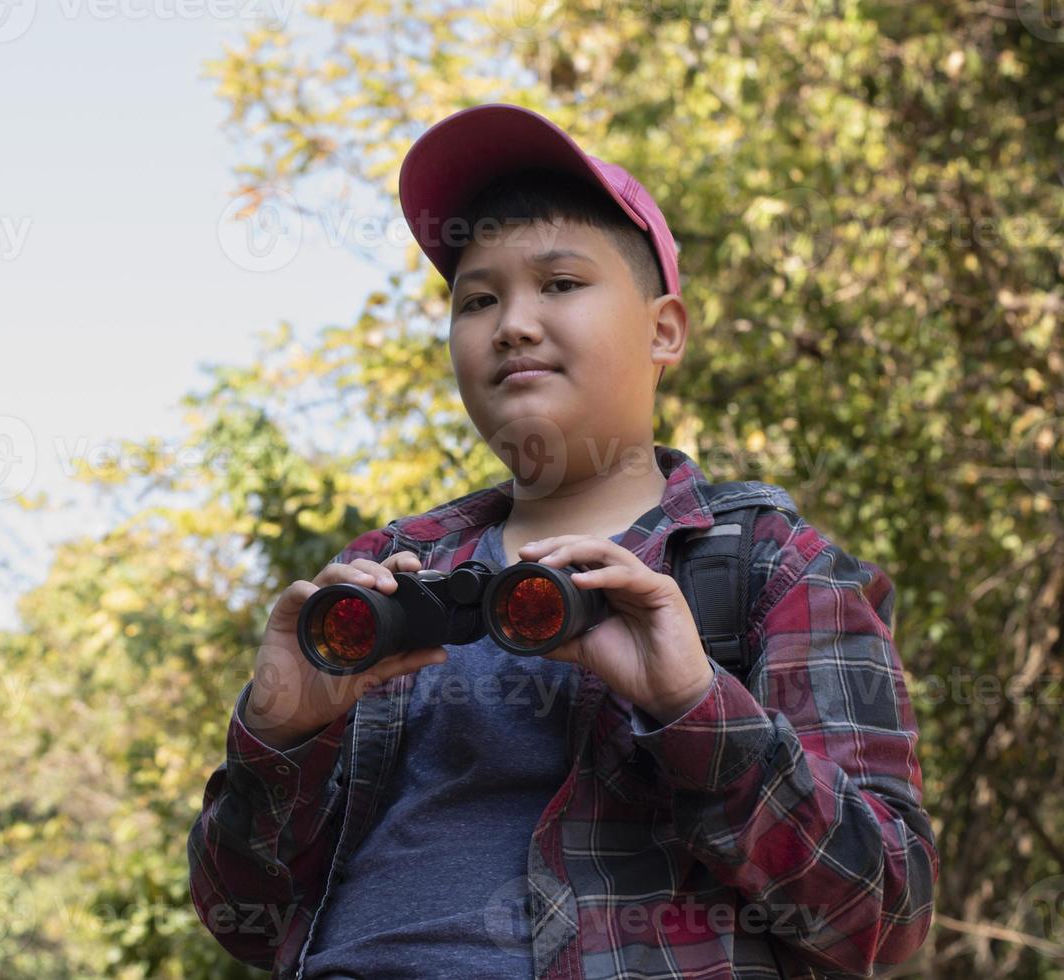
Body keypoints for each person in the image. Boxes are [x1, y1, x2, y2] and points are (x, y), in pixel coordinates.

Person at [187, 103, 938, 980]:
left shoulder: (777, 569)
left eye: (561, 284)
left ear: (665, 330)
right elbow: (246, 916)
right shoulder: (389, 577)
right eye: (478, 299)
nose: (512, 323)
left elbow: (884, 913)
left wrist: (695, 706)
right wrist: (278, 736)